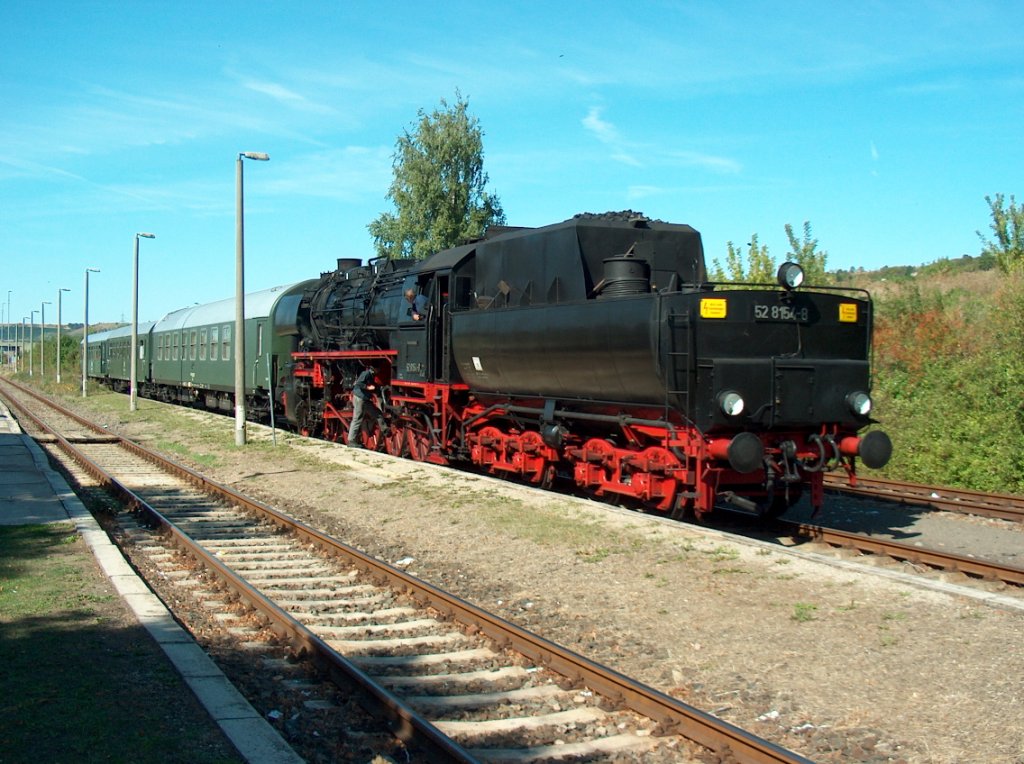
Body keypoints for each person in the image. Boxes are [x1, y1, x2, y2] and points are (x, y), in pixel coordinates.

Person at [347, 365, 382, 447]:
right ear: (374, 369)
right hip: (359, 398)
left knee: (377, 413)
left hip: (365, 399)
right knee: (357, 418)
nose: (379, 370)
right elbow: (358, 383)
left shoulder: (371, 375)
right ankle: (351, 441)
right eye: (378, 369)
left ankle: (385, 429)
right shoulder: (365, 373)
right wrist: (367, 387)